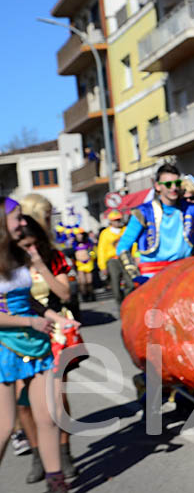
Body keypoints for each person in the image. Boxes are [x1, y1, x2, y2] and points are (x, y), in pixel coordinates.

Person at [0, 197, 78, 492]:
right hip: (4, 347)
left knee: (48, 417)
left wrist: (56, 317)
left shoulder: (19, 255)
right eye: (17, 218)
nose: (23, 222)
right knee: (5, 426)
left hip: (36, 345)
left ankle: (57, 484)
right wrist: (30, 322)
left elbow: (27, 300)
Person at [18, 216, 82, 481]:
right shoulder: (7, 264)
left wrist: (40, 265)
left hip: (55, 329)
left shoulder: (54, 258)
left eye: (32, 244)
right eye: (23, 245)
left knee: (57, 398)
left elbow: (65, 294)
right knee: (24, 403)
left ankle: (64, 452)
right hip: (19, 332)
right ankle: (37, 455)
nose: (28, 250)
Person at [115, 163, 194, 282]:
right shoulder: (144, 212)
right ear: (158, 186)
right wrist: (135, 276)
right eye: (168, 184)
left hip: (183, 275)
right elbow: (123, 246)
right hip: (152, 277)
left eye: (177, 183)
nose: (174, 188)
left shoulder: (191, 210)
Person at [97, 209, 134, 306]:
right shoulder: (105, 233)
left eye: (119, 219)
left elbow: (133, 245)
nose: (118, 222)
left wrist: (135, 256)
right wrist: (102, 266)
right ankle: (120, 303)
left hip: (126, 258)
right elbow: (101, 250)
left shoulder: (126, 230)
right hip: (112, 260)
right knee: (115, 284)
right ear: (111, 221)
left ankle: (127, 301)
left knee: (131, 283)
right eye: (115, 220)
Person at [72, 230, 95, 302]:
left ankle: (91, 294)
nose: (79, 236)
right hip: (80, 265)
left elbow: (92, 251)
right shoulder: (74, 243)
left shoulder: (88, 242)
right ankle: (84, 295)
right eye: (78, 234)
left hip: (88, 263)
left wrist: (91, 256)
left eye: (80, 234)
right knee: (82, 282)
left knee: (89, 281)